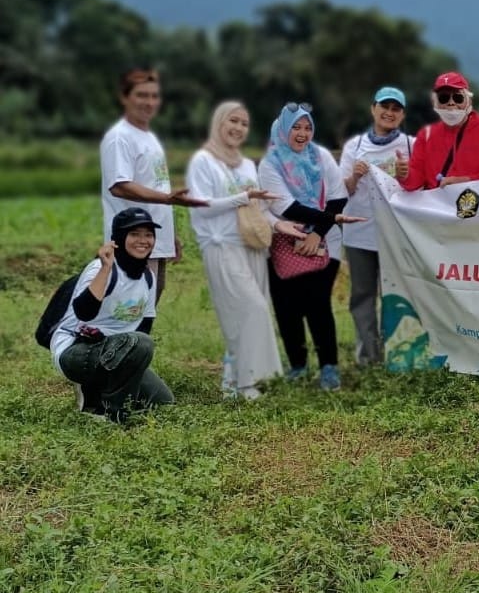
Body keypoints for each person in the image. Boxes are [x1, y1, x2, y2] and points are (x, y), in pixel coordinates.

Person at [187, 101, 299, 398]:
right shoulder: (203, 161)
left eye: (244, 124)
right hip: (221, 246)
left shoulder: (249, 164)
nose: (238, 128)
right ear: (219, 122)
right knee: (254, 310)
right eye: (232, 121)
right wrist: (241, 197)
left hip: (253, 247)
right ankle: (253, 387)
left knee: (242, 321)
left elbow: (259, 208)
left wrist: (279, 225)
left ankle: (232, 386)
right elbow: (200, 205)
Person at [258, 103, 361, 391]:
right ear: (283, 129)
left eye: (307, 127)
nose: (302, 133)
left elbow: (338, 196)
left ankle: (329, 367)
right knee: (287, 307)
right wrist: (328, 221)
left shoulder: (321, 156)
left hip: (326, 243)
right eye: (295, 127)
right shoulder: (270, 164)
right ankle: (298, 365)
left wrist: (318, 232)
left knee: (318, 304)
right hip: (283, 243)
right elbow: (285, 206)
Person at [49, 207, 175, 423]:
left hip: (117, 350)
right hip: (76, 350)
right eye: (134, 234)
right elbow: (84, 311)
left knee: (162, 401)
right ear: (118, 238)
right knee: (142, 343)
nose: (143, 240)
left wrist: (131, 367)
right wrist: (106, 268)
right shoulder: (100, 269)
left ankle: (101, 388)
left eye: (148, 235)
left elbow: (144, 324)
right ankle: (112, 413)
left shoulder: (148, 277)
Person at [100, 67, 207, 301]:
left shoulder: (148, 137)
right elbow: (119, 185)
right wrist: (167, 199)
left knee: (149, 300)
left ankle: (137, 339)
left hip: (153, 238)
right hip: (131, 240)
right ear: (124, 97)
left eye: (154, 96)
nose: (149, 102)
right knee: (130, 305)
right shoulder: (120, 137)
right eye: (141, 95)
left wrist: (170, 235)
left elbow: (156, 185)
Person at [340, 87, 415, 366]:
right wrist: (354, 178)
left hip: (396, 234)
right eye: (385, 106)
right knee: (362, 296)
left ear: (402, 115)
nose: (389, 113)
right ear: (373, 109)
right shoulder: (354, 146)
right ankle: (368, 358)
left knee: (396, 295)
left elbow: (421, 186)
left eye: (396, 109)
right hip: (359, 233)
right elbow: (341, 191)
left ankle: (398, 355)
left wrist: (407, 175)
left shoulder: (411, 145)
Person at [402, 72, 479, 191]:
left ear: (468, 100)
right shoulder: (426, 135)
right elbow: (415, 180)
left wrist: (465, 181)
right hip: (437, 208)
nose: (451, 102)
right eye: (444, 98)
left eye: (458, 97)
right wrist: (404, 175)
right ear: (435, 102)